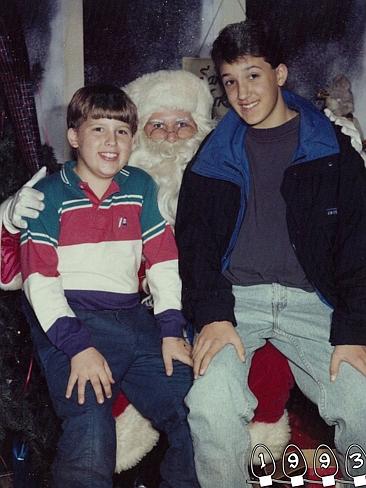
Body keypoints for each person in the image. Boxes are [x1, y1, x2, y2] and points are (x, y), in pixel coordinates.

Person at [175, 19, 366, 488]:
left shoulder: (332, 152)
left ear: (280, 74)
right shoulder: (210, 158)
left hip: (314, 304)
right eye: (230, 81)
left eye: (253, 75)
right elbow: (194, 247)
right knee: (211, 405)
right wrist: (213, 315)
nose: (242, 93)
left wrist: (354, 330)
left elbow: (359, 245)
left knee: (361, 402)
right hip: (235, 304)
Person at [19, 83, 199, 488]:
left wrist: (171, 331)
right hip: (70, 320)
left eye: (121, 131)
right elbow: (39, 282)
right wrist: (78, 347)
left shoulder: (139, 186)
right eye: (98, 129)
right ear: (73, 136)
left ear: (133, 139)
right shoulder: (48, 195)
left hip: (135, 318)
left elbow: (164, 262)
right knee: (90, 429)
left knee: (194, 409)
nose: (111, 141)